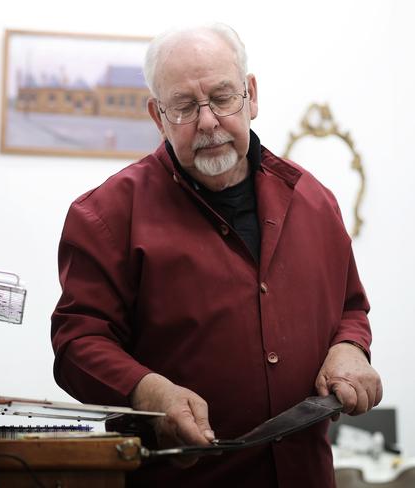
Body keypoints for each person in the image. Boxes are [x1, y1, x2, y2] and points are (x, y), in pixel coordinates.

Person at [51, 23, 382, 488]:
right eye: (184, 106)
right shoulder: (106, 216)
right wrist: (150, 392)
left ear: (250, 95)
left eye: (223, 98)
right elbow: (76, 343)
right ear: (157, 115)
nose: (207, 122)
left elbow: (350, 306)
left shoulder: (314, 200)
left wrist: (350, 349)